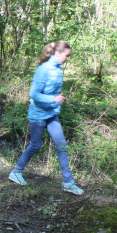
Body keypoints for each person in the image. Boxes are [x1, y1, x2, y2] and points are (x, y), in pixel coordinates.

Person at [7, 41, 84, 195]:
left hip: (51, 114)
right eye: (66, 55)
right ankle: (16, 172)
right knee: (35, 145)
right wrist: (53, 99)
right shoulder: (43, 70)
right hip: (38, 115)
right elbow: (33, 94)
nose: (68, 58)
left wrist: (55, 101)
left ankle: (67, 182)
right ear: (58, 53)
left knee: (62, 146)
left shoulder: (57, 68)